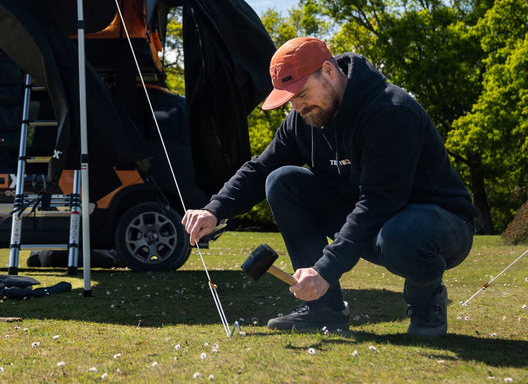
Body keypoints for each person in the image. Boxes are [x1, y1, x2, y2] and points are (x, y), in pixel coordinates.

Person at [182, 37, 477, 337]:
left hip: (439, 223)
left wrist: (324, 270)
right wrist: (214, 211)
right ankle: (323, 310)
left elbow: (378, 202)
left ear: (329, 71)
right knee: (283, 181)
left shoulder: (390, 112)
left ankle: (427, 301)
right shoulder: (304, 119)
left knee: (401, 237)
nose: (298, 107)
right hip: (376, 222)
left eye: (303, 94)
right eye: (290, 100)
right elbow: (260, 169)